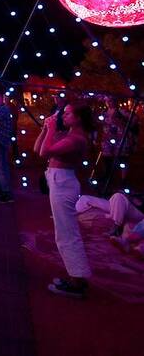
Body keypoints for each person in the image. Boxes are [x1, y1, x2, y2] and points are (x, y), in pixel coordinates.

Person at [34, 102, 95, 299]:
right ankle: (76, 277)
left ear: (78, 117)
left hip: (64, 183)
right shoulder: (69, 135)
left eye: (68, 113)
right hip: (58, 181)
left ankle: (77, 281)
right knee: (64, 232)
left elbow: (45, 152)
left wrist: (51, 128)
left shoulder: (76, 139)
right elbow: (38, 148)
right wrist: (45, 130)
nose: (64, 116)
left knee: (67, 233)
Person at [99, 97, 138, 191]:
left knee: (122, 159)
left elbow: (134, 119)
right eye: (107, 101)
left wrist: (123, 122)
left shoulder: (121, 111)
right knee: (107, 158)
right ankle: (108, 176)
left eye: (111, 100)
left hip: (120, 138)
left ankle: (123, 179)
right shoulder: (104, 112)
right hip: (108, 138)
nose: (109, 103)